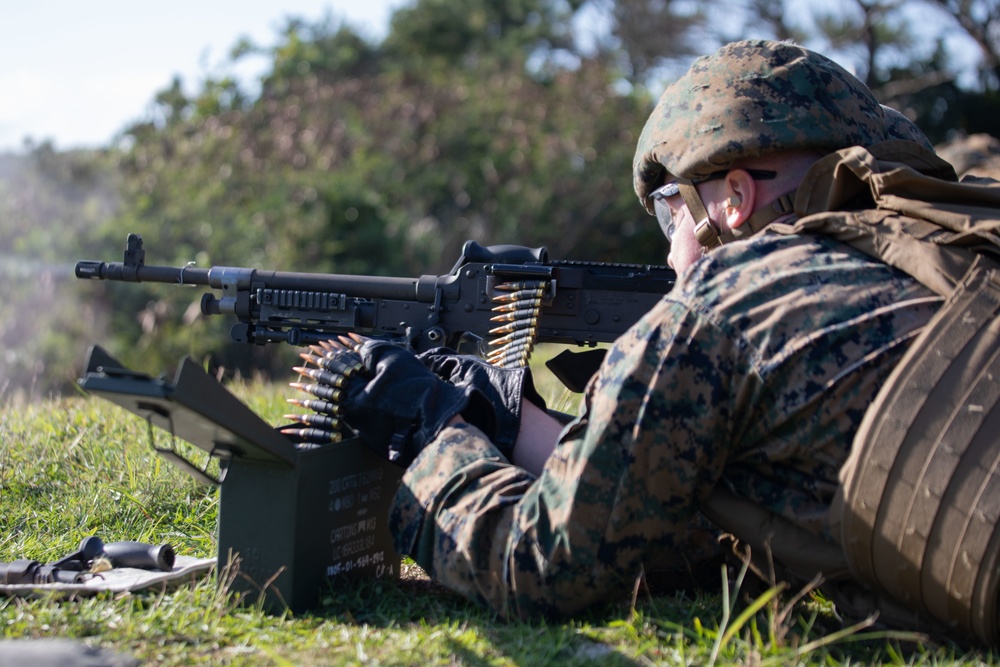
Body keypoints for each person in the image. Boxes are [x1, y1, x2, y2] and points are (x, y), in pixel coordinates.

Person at [321, 40, 955, 624]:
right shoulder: (956, 245)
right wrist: (515, 428)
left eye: (668, 208)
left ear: (731, 200)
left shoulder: (726, 309)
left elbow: (536, 566)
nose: (671, 252)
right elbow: (726, 531)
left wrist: (432, 430)